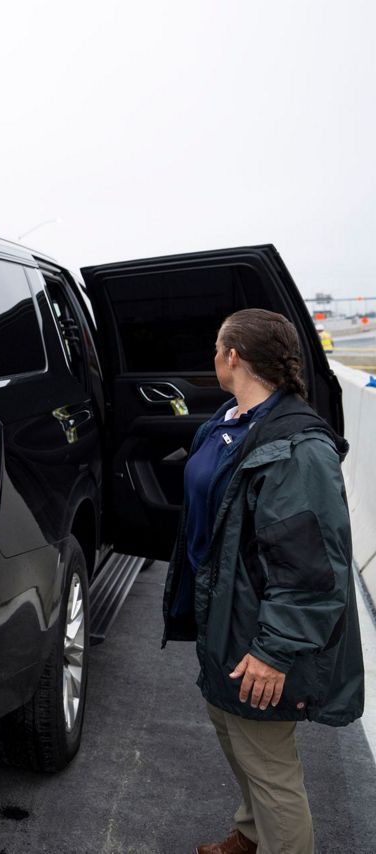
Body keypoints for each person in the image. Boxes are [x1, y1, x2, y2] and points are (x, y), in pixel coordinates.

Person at [164, 309, 364, 854]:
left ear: (234, 357)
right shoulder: (232, 421)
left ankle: (273, 837)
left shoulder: (297, 447)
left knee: (271, 768)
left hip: (260, 628)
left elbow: (311, 568)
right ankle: (251, 835)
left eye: (216, 348)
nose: (214, 358)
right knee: (234, 734)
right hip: (224, 613)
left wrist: (274, 652)